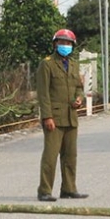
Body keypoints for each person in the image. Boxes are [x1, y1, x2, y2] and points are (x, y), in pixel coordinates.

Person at [36, 28, 88, 201]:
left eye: (68, 43)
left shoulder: (73, 65)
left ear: (72, 46)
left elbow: (79, 88)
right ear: (55, 44)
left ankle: (68, 188)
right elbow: (43, 93)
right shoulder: (47, 64)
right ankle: (44, 191)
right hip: (54, 118)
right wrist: (47, 117)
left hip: (71, 117)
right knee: (50, 157)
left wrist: (79, 99)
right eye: (61, 42)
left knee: (70, 156)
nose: (65, 45)